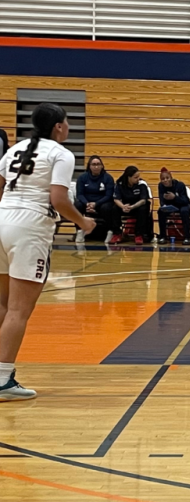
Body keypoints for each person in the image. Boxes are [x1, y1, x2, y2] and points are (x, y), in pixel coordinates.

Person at [0, 103, 95, 400]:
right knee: (18, 310)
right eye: (66, 124)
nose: (68, 128)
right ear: (58, 126)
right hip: (29, 228)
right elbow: (58, 198)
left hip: (2, 219)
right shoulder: (61, 153)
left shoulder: (14, 149)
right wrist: (83, 222)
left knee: (3, 306)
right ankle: (3, 380)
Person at [74, 155, 116, 243]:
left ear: (102, 166)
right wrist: (87, 204)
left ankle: (110, 231)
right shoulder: (82, 178)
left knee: (108, 207)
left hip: (102, 202)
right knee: (77, 205)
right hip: (87, 203)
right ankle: (80, 230)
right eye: (93, 164)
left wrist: (95, 204)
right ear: (89, 166)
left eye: (98, 164)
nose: (96, 167)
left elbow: (108, 195)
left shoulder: (108, 178)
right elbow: (80, 194)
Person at [112, 166, 151, 245]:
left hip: (137, 206)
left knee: (144, 208)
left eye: (138, 177)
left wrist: (132, 207)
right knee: (114, 208)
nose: (138, 179)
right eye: (135, 177)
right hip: (124, 206)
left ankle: (139, 235)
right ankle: (117, 234)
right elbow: (116, 199)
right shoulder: (119, 184)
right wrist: (123, 206)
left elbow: (143, 200)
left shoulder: (142, 184)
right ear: (128, 177)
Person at [156, 167, 190, 245]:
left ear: (171, 178)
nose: (165, 180)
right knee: (161, 211)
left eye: (167, 178)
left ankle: (187, 237)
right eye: (163, 179)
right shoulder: (161, 186)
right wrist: (164, 205)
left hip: (183, 205)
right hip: (171, 206)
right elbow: (161, 201)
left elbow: (185, 200)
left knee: (184, 211)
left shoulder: (180, 185)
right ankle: (163, 236)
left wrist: (175, 198)